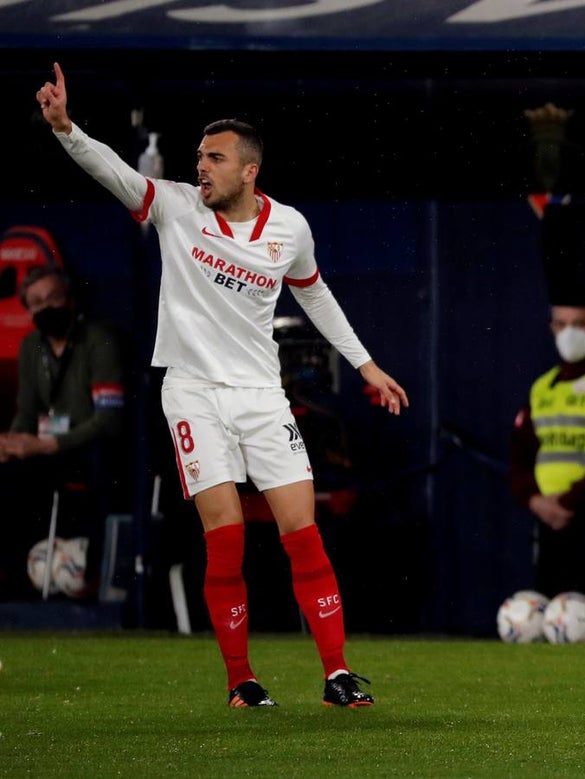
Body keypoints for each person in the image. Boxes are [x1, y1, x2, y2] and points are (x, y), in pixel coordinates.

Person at [36, 62, 409, 708]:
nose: (201, 167)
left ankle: (338, 673)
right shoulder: (177, 208)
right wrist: (68, 129)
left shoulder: (289, 228)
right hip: (194, 391)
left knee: (303, 531)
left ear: (248, 170)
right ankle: (241, 678)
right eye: (199, 157)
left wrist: (367, 364)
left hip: (262, 394)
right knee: (227, 536)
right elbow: (119, 175)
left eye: (214, 158)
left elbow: (314, 293)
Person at [0, 265, 127, 600]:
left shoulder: (98, 340)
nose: (46, 308)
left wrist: (46, 446)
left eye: (53, 298)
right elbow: (26, 414)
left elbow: (108, 421)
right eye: (37, 303)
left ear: (70, 300)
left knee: (102, 464)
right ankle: (15, 583)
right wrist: (12, 444)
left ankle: (96, 581)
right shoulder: (31, 347)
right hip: (49, 450)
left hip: (94, 447)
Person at [508, 304, 585, 623]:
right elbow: (520, 453)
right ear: (551, 328)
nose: (570, 332)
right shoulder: (543, 386)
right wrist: (534, 499)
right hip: (548, 518)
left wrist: (569, 500)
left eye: (580, 323)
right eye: (562, 324)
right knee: (552, 611)